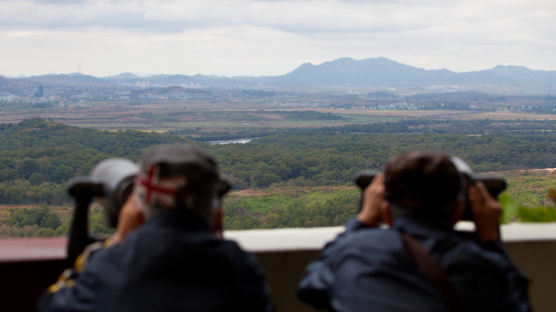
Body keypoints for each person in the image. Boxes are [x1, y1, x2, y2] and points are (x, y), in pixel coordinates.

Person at [39, 144, 273, 312]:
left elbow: (51, 304)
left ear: (136, 207)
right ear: (215, 209)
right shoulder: (238, 265)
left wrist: (119, 242)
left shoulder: (109, 265)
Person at [297, 151, 531, 312]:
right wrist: (490, 240)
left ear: (386, 211)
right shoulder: (483, 267)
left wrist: (363, 221)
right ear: (457, 211)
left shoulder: (354, 252)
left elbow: (311, 288)